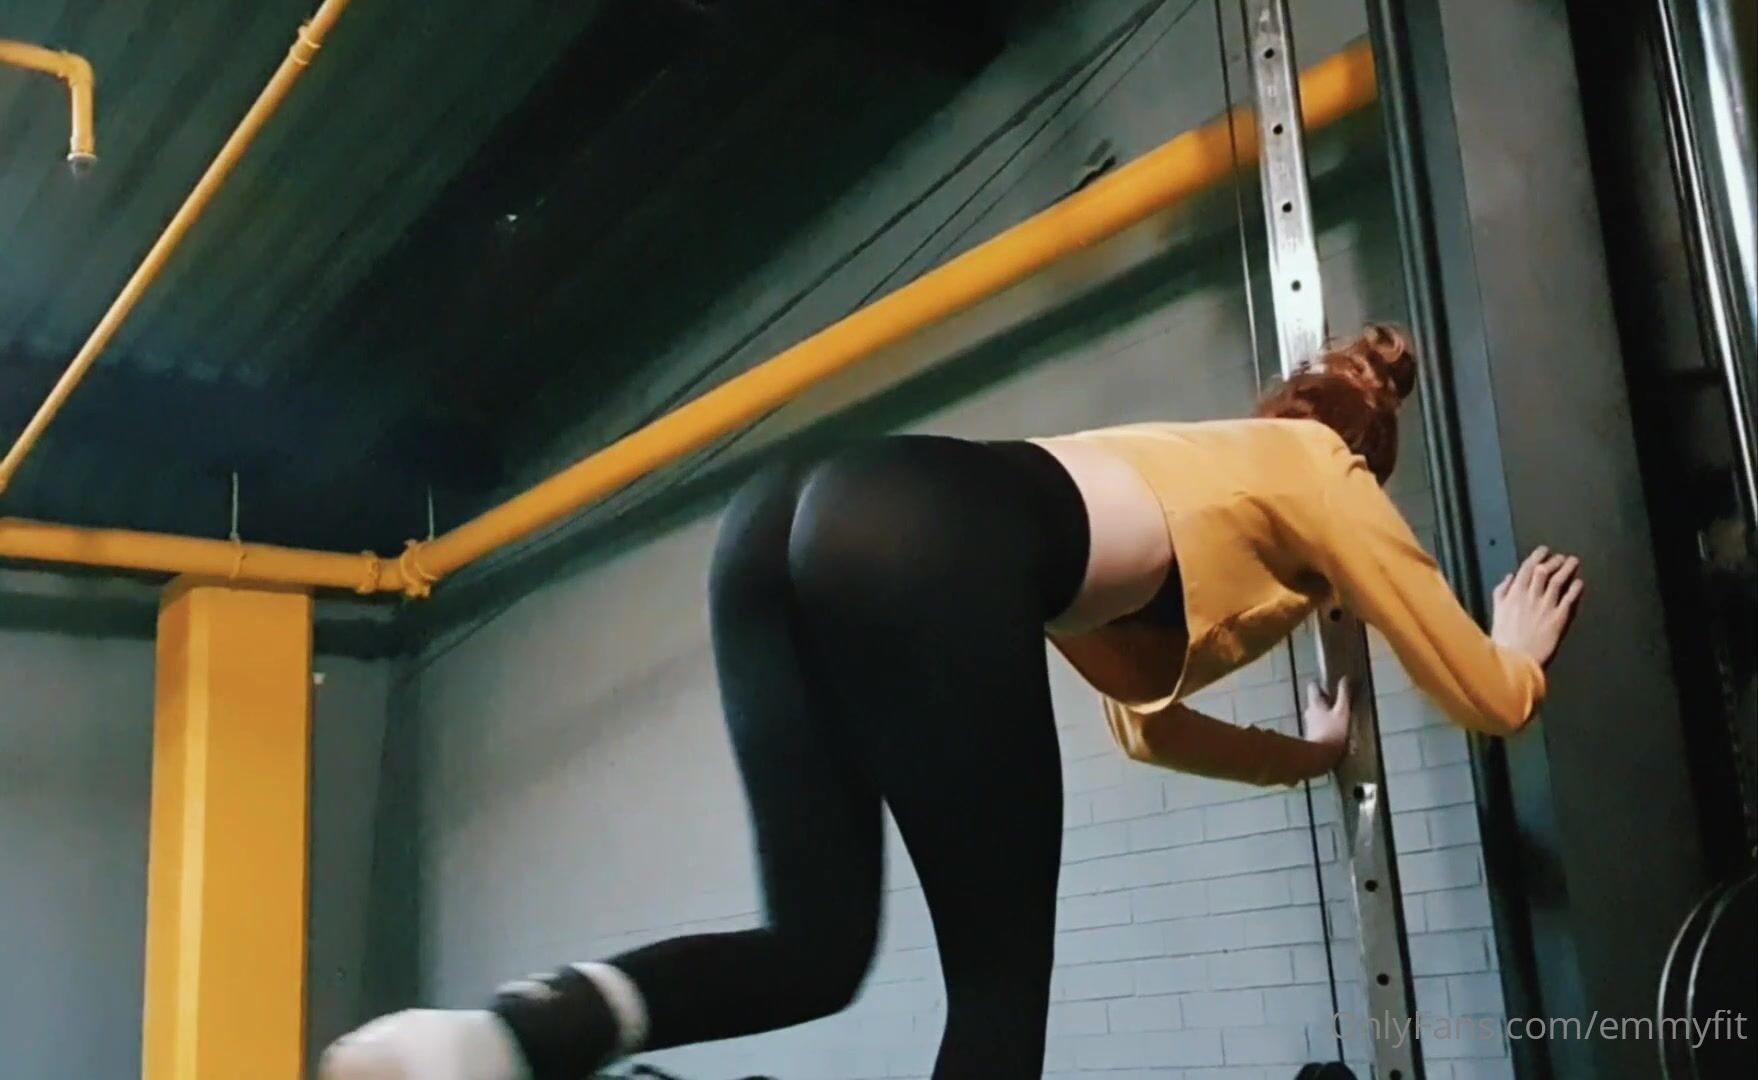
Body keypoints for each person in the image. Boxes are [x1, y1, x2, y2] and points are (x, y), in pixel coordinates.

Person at [320, 324, 1584, 1080]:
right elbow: (1478, 690)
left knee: (815, 951)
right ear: (1367, 460)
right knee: (996, 994)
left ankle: (503, 1042)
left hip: (788, 515)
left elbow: (1143, 720)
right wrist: (1516, 655)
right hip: (914, 530)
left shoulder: (1193, 477)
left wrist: (1308, 758)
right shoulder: (1320, 467)